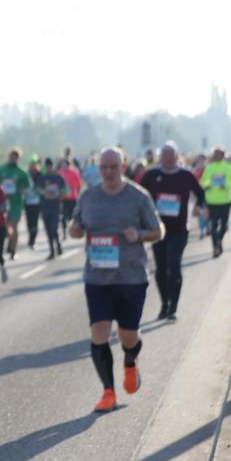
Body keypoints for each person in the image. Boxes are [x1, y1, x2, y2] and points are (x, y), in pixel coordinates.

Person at [69, 147, 163, 413]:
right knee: (99, 333)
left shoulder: (138, 197)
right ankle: (108, 392)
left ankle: (130, 363)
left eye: (114, 167)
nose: (109, 172)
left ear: (123, 166)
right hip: (97, 277)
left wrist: (140, 234)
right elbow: (76, 226)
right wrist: (75, 230)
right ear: (99, 168)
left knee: (128, 337)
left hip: (131, 277)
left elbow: (159, 231)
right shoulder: (88, 197)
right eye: (104, 167)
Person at [140, 141, 206, 321]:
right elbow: (138, 195)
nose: (167, 159)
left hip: (179, 229)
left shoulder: (186, 175)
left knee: (174, 263)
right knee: (160, 269)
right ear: (160, 157)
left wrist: (198, 207)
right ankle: (164, 303)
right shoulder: (151, 174)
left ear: (177, 157)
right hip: (156, 229)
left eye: (171, 156)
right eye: (164, 155)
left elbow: (200, 193)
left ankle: (173, 306)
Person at [200, 147, 231, 257]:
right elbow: (203, 181)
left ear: (223, 156)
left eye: (220, 154)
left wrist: (226, 185)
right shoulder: (209, 168)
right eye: (216, 154)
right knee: (213, 225)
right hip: (212, 201)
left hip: (225, 201)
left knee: (224, 225)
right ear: (213, 156)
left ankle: (219, 240)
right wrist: (207, 185)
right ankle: (215, 248)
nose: (217, 156)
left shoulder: (229, 168)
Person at [0, 147, 32, 260]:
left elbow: (28, 186)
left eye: (15, 157)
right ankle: (9, 241)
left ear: (18, 158)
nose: (12, 159)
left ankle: (13, 250)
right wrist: (1, 184)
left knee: (14, 226)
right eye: (11, 156)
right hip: (3, 202)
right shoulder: (2, 169)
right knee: (5, 226)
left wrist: (21, 188)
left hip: (16, 203)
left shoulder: (22, 172)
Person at [38, 158, 67, 259]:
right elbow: (37, 190)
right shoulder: (42, 178)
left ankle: (58, 244)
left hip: (56, 207)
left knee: (54, 229)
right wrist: (45, 192)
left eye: (50, 166)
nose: (48, 168)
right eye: (47, 166)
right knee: (48, 230)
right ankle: (51, 250)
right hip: (45, 207)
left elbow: (65, 190)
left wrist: (58, 193)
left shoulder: (58, 177)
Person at [58, 158, 83, 240]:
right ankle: (64, 233)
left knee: (72, 216)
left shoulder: (74, 173)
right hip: (63, 198)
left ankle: (73, 230)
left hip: (72, 198)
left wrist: (77, 193)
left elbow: (79, 184)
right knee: (63, 216)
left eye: (64, 164)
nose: (63, 166)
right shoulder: (59, 173)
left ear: (68, 165)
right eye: (62, 164)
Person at [24, 158, 43, 249]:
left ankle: (32, 241)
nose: (32, 167)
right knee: (29, 222)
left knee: (34, 222)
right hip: (27, 202)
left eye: (34, 165)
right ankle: (31, 237)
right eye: (31, 165)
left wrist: (39, 190)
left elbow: (44, 186)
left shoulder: (41, 175)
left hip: (37, 202)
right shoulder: (26, 175)